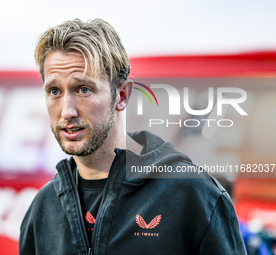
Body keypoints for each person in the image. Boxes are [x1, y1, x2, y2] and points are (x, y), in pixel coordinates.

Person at [19, 18, 247, 255]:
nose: (67, 111)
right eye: (54, 91)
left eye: (83, 89)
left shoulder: (192, 194)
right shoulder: (43, 208)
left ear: (122, 96)